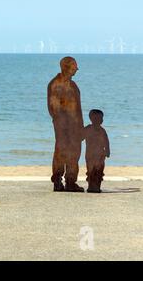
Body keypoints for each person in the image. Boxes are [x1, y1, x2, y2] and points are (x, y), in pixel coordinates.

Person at [47, 57, 84, 192]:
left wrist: (80, 127)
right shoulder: (55, 84)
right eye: (74, 67)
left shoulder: (73, 85)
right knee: (61, 152)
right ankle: (57, 180)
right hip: (63, 126)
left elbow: (77, 109)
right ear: (66, 67)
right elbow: (53, 109)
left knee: (74, 153)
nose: (76, 70)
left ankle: (70, 181)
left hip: (75, 126)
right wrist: (64, 126)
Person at [83, 109, 110, 193]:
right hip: (90, 155)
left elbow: (106, 142)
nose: (100, 120)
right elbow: (80, 137)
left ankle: (97, 186)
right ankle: (91, 186)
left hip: (100, 156)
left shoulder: (102, 131)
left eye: (101, 118)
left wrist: (107, 151)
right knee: (90, 171)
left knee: (99, 171)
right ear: (91, 119)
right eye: (97, 118)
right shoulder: (88, 129)